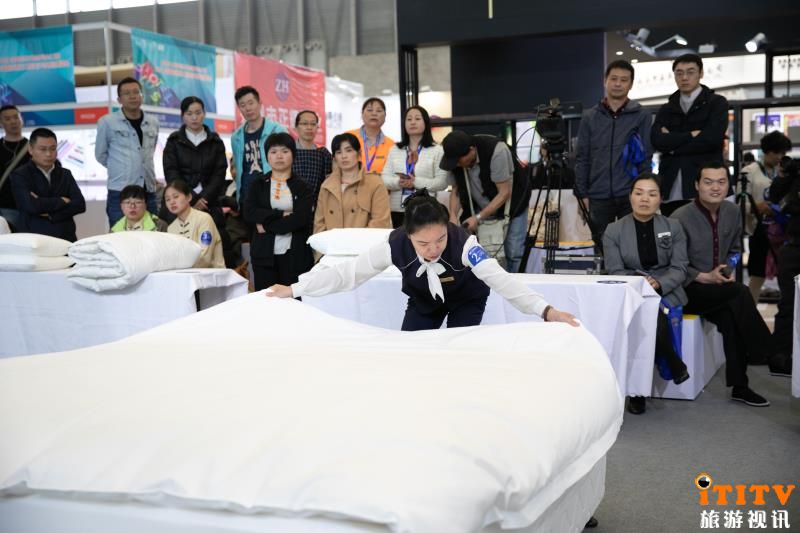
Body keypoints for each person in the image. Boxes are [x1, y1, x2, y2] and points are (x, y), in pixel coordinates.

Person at [268, 190, 579, 331]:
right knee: (413, 352)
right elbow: (348, 273)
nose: (433, 249)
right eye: (423, 244)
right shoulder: (394, 244)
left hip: (466, 300)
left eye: (440, 240)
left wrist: (546, 310)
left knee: (458, 351)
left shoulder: (465, 244)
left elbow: (502, 280)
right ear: (409, 236)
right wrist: (295, 289)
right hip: (423, 301)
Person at [671, 162, 774, 406]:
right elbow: (673, 264)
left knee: (731, 316)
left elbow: (736, 250)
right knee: (739, 292)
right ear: (697, 185)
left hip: (718, 289)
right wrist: (703, 276)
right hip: (687, 290)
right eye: (708, 182)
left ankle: (740, 386)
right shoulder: (679, 218)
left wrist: (727, 269)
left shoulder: (732, 211)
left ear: (728, 185)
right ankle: (770, 352)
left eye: (721, 182)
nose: (715, 188)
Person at [602, 173, 691, 415]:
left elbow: (680, 267)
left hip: (666, 289)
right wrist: (640, 284)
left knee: (650, 314)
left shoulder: (673, 227)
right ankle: (672, 364)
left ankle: (638, 392)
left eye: (652, 194)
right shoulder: (614, 230)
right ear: (630, 197)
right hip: (631, 289)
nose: (644, 199)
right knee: (645, 313)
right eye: (639, 193)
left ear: (660, 199)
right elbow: (615, 270)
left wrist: (659, 283)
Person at [574, 60, 653, 253]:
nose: (618, 84)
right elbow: (582, 158)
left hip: (630, 194)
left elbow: (646, 156)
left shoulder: (641, 115)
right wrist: (582, 195)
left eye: (624, 80)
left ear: (631, 84)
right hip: (597, 195)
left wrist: (645, 191)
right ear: (605, 81)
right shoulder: (589, 117)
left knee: (633, 248)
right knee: (602, 250)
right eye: (614, 79)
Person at [439, 130, 532, 273]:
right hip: (479, 206)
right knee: (483, 251)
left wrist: (478, 217)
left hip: (513, 204)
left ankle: (513, 280)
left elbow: (504, 193)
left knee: (513, 251)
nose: (456, 165)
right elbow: (456, 190)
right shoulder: (455, 159)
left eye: (458, 161)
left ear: (471, 150)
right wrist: (452, 216)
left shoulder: (497, 151)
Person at [652, 54, 729, 210]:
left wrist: (672, 147)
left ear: (701, 73)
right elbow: (657, 141)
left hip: (706, 184)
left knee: (706, 225)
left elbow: (712, 140)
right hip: (670, 185)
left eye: (690, 72)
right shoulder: (667, 108)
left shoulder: (716, 103)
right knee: (671, 225)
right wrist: (690, 135)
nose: (684, 78)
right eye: (679, 73)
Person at [244, 133, 314, 291]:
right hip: (264, 256)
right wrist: (280, 214)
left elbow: (300, 219)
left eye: (285, 151)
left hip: (295, 256)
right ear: (267, 156)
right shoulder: (258, 184)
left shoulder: (303, 187)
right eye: (273, 152)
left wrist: (266, 225)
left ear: (293, 155)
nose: (279, 156)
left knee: (294, 301)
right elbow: (249, 213)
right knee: (266, 300)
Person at [95, 77, 159, 227]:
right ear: (119, 99)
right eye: (127, 93)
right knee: (121, 236)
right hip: (120, 191)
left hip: (147, 190)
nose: (132, 96)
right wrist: (120, 168)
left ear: (142, 96)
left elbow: (149, 152)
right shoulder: (107, 122)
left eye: (136, 92)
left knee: (152, 235)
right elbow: (100, 155)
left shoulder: (153, 122)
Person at [742, 131, 792, 303]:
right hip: (760, 230)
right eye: (777, 153)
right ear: (767, 151)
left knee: (786, 273)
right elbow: (739, 204)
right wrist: (758, 207)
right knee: (758, 274)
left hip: (782, 230)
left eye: (783, 153)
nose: (780, 157)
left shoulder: (784, 171)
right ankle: (749, 312)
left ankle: (788, 311)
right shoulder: (749, 172)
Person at [10, 128, 85, 241]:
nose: (49, 154)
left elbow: (79, 204)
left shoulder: (65, 174)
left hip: (65, 236)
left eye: (53, 149)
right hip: (34, 238)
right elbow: (30, 205)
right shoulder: (20, 175)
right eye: (43, 149)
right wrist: (62, 200)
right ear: (30, 149)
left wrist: (51, 214)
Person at [381, 105, 447, 228]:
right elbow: (384, 179)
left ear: (425, 122)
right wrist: (399, 182)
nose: (412, 122)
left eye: (417, 118)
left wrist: (415, 182)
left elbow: (442, 182)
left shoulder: (437, 150)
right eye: (409, 119)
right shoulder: (395, 149)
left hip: (426, 209)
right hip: (397, 209)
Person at [314, 132, 392, 234]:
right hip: (332, 243)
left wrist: (356, 242)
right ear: (334, 158)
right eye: (338, 152)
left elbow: (380, 222)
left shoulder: (375, 183)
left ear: (359, 153)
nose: (344, 156)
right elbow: (319, 224)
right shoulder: (326, 186)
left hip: (364, 243)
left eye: (349, 150)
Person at [766, 157, 798, 377]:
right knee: (788, 304)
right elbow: (775, 195)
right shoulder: (794, 177)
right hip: (794, 247)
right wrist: (785, 174)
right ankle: (780, 358)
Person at [230, 86, 286, 210]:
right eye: (243, 105)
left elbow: (288, 165)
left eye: (251, 103)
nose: (248, 108)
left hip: (272, 198)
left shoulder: (277, 131)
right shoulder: (236, 137)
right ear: (239, 108)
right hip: (246, 199)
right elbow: (238, 169)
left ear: (259, 103)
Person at [164, 179, 225, 269]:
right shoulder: (171, 228)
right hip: (184, 274)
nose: (172, 202)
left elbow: (205, 258)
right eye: (167, 199)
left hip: (212, 274)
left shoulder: (204, 219)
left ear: (189, 197)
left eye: (176, 196)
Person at [291, 109, 332, 209]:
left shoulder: (323, 154)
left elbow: (328, 182)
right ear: (296, 127)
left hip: (317, 207)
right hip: (290, 205)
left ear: (317, 128)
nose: (309, 127)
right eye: (304, 123)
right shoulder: (288, 152)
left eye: (313, 124)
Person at [0, 105, 30, 230]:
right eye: (7, 119)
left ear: (21, 119)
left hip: (30, 207)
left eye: (16, 117)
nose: (13, 121)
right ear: (1, 123)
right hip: (5, 206)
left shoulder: (33, 147)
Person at [346, 97, 394, 176]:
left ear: (385, 117)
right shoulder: (347, 137)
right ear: (362, 115)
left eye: (379, 111)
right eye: (369, 110)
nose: (374, 114)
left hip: (381, 183)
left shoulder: (392, 145)